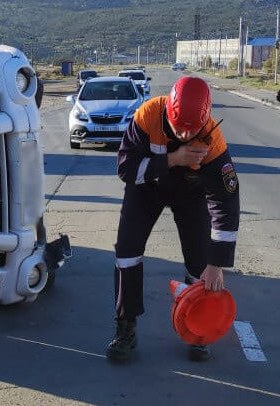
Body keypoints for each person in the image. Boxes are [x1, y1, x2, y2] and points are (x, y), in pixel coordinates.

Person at [106, 77, 240, 362]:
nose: (182, 134)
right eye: (178, 127)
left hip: (191, 196)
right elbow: (126, 169)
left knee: (199, 263)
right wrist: (172, 159)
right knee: (126, 253)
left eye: (190, 131)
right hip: (145, 190)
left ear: (204, 121)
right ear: (169, 111)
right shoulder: (148, 115)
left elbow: (226, 203)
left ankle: (198, 330)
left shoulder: (213, 142)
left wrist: (216, 264)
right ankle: (125, 328)